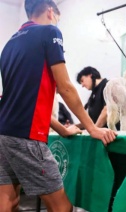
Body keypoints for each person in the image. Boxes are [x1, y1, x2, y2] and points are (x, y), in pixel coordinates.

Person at [0, 0, 117, 211]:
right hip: (27, 138)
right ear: (51, 11)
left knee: (8, 203)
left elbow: (22, 101)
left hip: (3, 135)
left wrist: (62, 129)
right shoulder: (49, 32)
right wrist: (92, 128)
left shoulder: (8, 46)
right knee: (62, 208)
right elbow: (66, 88)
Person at [76, 66, 126, 211]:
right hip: (98, 141)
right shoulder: (92, 95)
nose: (82, 85)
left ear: (90, 75)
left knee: (111, 181)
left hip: (112, 141)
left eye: (82, 80)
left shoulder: (109, 85)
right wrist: (73, 127)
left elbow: (107, 110)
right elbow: (88, 120)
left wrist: (93, 129)